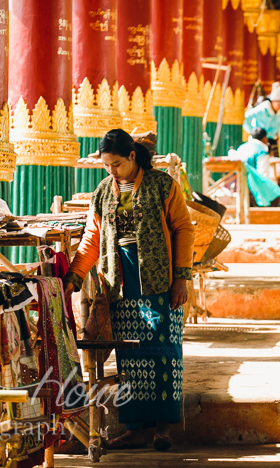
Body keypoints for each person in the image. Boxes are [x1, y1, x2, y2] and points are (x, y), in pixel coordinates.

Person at [64, 129, 195, 452]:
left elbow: (183, 228)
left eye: (117, 164)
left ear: (133, 156)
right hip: (118, 282)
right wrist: (74, 278)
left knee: (163, 350)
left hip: (159, 280)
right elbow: (92, 239)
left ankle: (163, 428)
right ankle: (136, 430)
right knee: (129, 355)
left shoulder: (163, 185)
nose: (112, 171)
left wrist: (182, 277)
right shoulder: (102, 192)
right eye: (107, 166)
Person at [230, 128, 280, 207]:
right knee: (276, 195)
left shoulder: (241, 148)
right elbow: (263, 173)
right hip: (252, 187)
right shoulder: (261, 151)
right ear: (264, 138)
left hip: (237, 183)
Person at [244, 82, 280, 158]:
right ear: (273, 101)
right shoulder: (264, 108)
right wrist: (252, 131)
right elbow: (247, 116)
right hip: (259, 140)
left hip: (271, 141)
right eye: (279, 104)